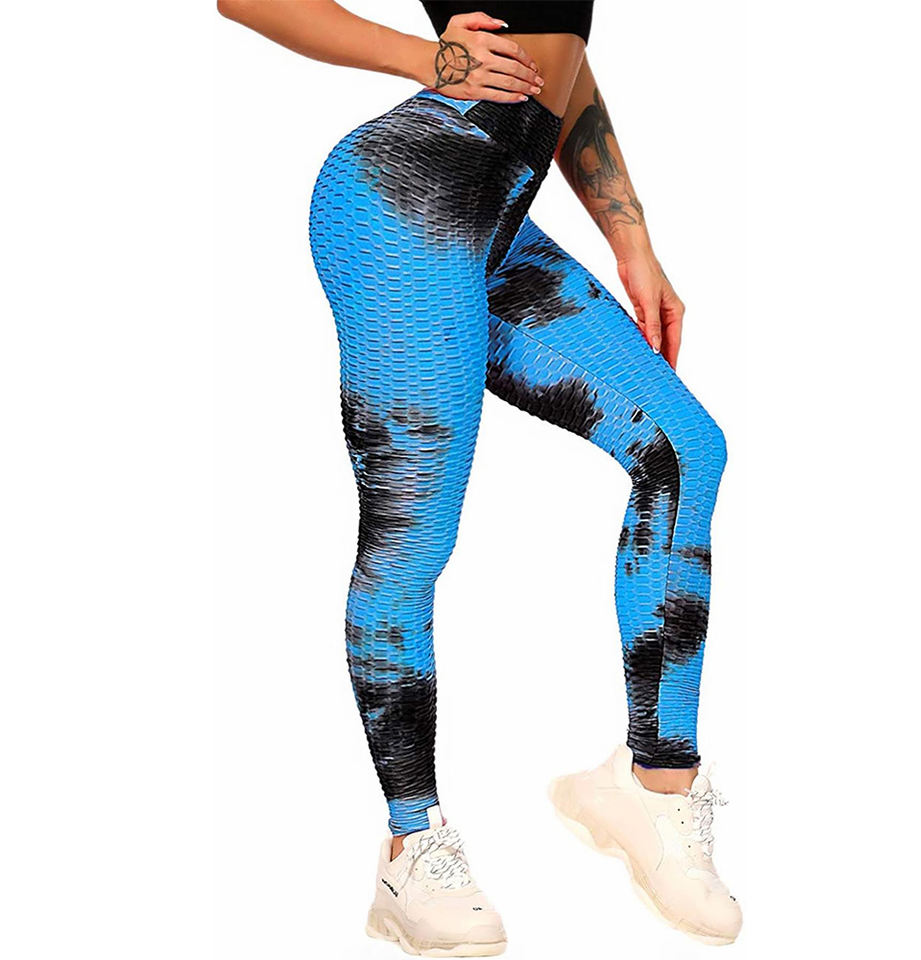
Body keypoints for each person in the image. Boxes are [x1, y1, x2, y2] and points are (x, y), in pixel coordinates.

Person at [218, 1, 741, 953]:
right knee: (413, 538)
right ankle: (411, 846)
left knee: (684, 450)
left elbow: (555, 55)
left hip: (494, 217)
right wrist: (423, 56)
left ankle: (653, 787)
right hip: (400, 207)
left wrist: (631, 237)